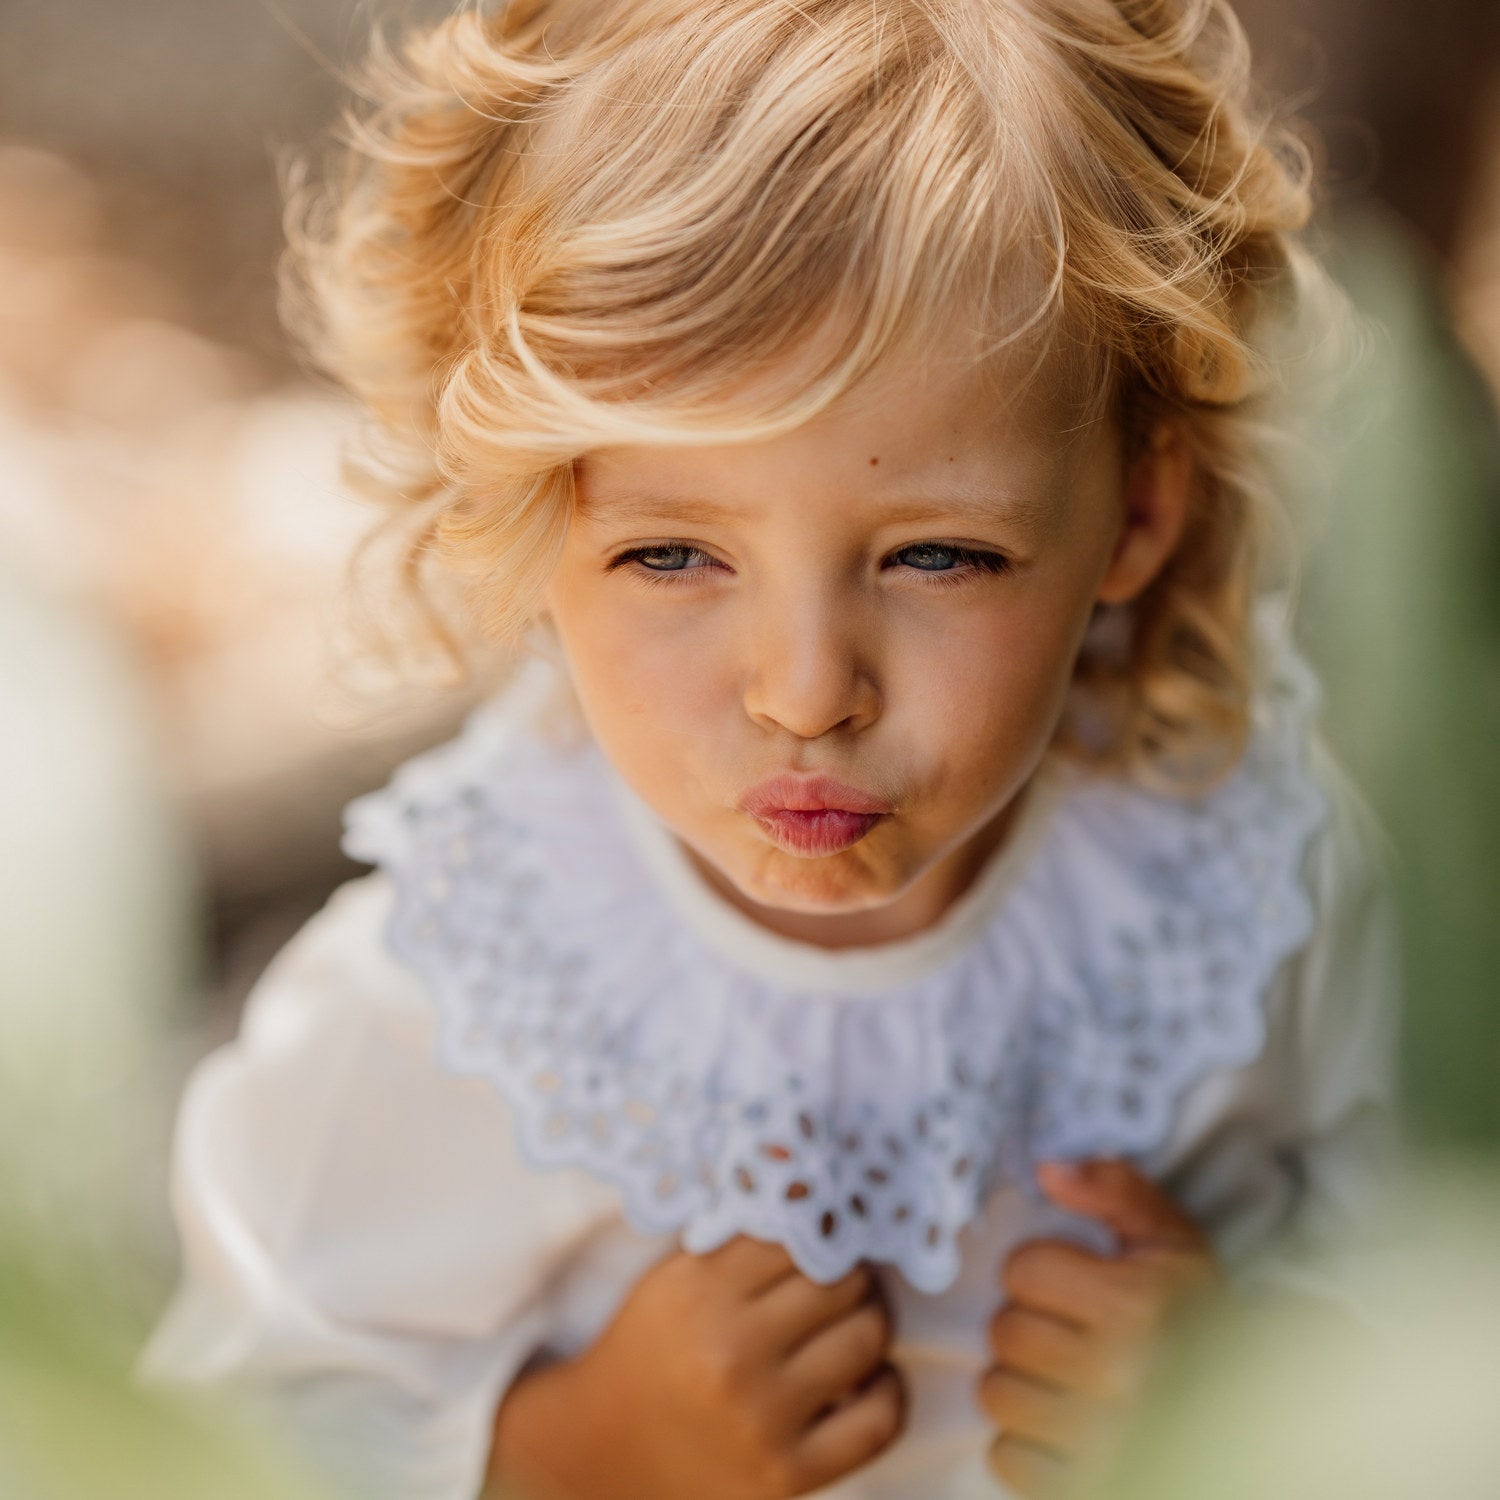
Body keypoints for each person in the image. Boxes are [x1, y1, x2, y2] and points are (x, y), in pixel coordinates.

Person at [133, 1, 1404, 1497]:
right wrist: (565, 1451)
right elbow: (193, 1451)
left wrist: (1243, 1385)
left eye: (937, 557)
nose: (807, 693)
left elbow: (1427, 1290)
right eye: (673, 556)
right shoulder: (443, 999)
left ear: (1134, 513)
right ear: (530, 520)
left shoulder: (1246, 886)